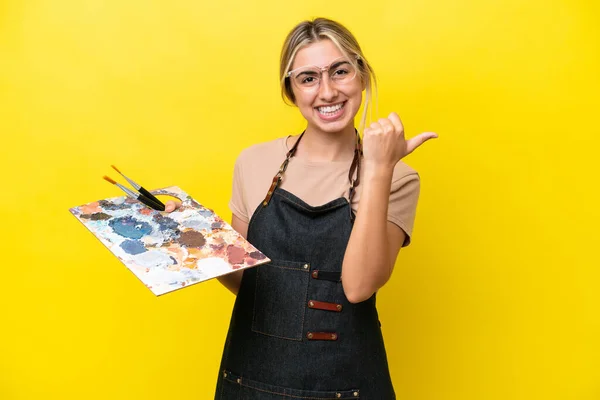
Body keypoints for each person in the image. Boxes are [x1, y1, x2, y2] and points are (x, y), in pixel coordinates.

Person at [165, 17, 437, 400]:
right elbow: (249, 284)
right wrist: (193, 234)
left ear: (361, 76)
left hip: (349, 387)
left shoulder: (398, 177)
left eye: (339, 72)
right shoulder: (253, 163)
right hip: (250, 384)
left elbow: (358, 287)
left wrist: (379, 168)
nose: (327, 91)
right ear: (291, 91)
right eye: (308, 78)